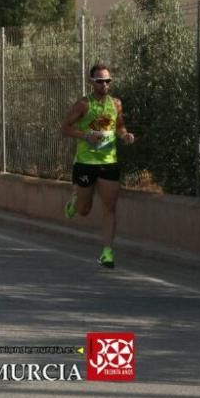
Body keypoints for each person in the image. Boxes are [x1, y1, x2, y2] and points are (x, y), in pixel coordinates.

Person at [61, 63, 136, 269]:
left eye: (107, 81)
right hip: (86, 162)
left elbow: (119, 126)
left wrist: (125, 136)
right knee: (84, 210)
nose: (104, 85)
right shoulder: (83, 104)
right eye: (100, 81)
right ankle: (75, 202)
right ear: (92, 82)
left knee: (110, 208)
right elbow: (65, 128)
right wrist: (85, 135)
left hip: (109, 162)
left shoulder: (116, 104)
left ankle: (107, 252)